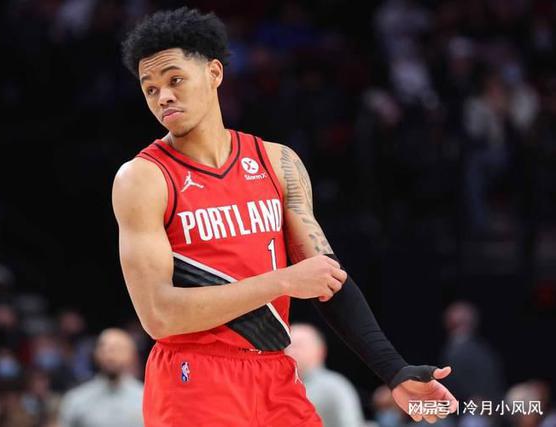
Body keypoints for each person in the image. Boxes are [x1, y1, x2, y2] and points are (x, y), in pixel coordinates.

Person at [112, 7, 457, 426]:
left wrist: (394, 371)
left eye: (175, 80)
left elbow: (327, 278)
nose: (163, 96)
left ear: (214, 73)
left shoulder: (277, 162)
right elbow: (158, 315)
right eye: (150, 88)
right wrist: (283, 281)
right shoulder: (143, 178)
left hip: (275, 372)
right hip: (193, 374)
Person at [58, 329, 143, 427]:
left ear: (131, 355)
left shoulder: (145, 399)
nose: (110, 356)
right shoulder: (76, 400)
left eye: (118, 349)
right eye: (105, 349)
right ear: (96, 354)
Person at [285, 323, 365, 427]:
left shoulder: (334, 386)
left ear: (320, 350)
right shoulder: (275, 385)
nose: (290, 351)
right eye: (286, 346)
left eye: (298, 346)